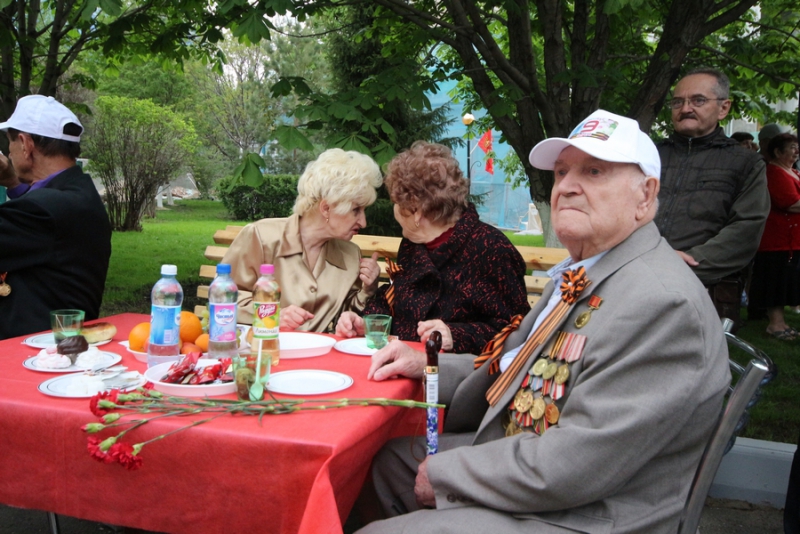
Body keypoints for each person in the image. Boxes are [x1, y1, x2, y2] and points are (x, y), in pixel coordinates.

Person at [356, 110, 730, 534]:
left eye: (593, 171)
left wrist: (447, 475)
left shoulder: (661, 303)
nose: (567, 186)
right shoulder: (588, 271)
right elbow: (511, 363)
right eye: (562, 171)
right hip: (531, 456)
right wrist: (426, 363)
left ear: (645, 195)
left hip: (584, 512)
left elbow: (580, 462)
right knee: (384, 463)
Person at [336, 141, 529, 355]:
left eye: (397, 203)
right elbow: (396, 299)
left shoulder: (491, 249)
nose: (394, 209)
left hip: (457, 372)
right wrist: (367, 322)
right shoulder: (413, 244)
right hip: (403, 360)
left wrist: (454, 335)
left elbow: (516, 330)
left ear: (417, 212)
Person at [223, 148, 383, 332]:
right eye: (356, 210)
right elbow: (224, 299)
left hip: (324, 350)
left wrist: (368, 290)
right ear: (326, 208)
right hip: (268, 346)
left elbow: (347, 316)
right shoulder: (261, 237)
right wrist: (272, 316)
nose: (363, 222)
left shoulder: (351, 254)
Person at [655, 67, 769, 325]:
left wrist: (688, 262)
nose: (685, 108)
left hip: (704, 288)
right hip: (638, 276)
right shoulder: (649, 155)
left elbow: (747, 228)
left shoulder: (745, 163)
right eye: (677, 102)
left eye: (698, 100)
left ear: (723, 108)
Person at [0, 95, 112, 340]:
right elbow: (40, 224)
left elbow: (37, 215)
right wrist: (13, 183)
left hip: (33, 349)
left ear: (25, 144)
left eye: (10, 143)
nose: (8, 152)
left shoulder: (43, 210)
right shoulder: (79, 193)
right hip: (63, 341)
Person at [747, 133, 800, 339]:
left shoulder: (793, 171)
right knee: (775, 282)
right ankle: (775, 324)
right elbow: (790, 203)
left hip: (791, 240)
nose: (796, 151)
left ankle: (782, 323)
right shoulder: (774, 172)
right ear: (777, 152)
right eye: (792, 147)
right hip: (776, 240)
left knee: (785, 282)